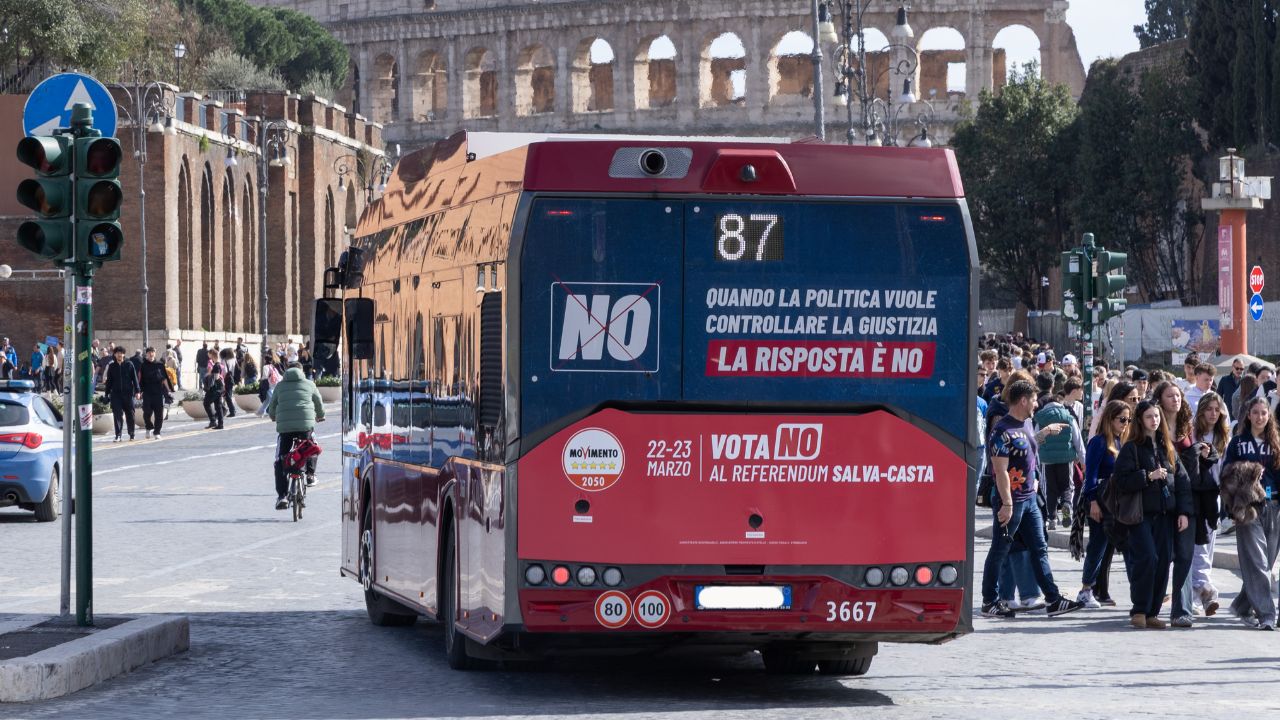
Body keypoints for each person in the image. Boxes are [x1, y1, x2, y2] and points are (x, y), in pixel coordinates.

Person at [980, 379, 1084, 619]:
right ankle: (989, 601)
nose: (1037, 404)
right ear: (1023, 400)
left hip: (1029, 500)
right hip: (1012, 502)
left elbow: (1025, 446)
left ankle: (1053, 599)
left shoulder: (1025, 424)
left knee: (1039, 548)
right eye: (1034, 400)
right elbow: (1000, 471)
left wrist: (1044, 434)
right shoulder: (1001, 431)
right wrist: (1006, 504)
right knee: (1000, 550)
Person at [1111, 399, 1192, 629]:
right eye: (1149, 416)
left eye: (1156, 416)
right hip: (1141, 515)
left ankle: (1152, 612)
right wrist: (1147, 476)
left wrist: (1184, 512)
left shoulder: (1168, 447)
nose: (1154, 420)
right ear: (1140, 420)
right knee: (1147, 558)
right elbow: (1121, 480)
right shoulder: (1132, 448)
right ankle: (1139, 609)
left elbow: (1182, 482)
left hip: (1166, 514)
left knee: (1163, 561)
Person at [1220, 397, 1280, 630]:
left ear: (1269, 415)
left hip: (1273, 505)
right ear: (1248, 415)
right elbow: (1226, 475)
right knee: (1256, 562)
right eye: (1255, 412)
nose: (1259, 417)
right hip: (1247, 507)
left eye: (1264, 413)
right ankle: (1267, 615)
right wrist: (1248, 471)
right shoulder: (1237, 443)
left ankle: (1242, 605)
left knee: (1266, 563)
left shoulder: (1275, 441)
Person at [1079, 400, 1132, 609]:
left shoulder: (1123, 442)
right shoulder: (1099, 442)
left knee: (1128, 545)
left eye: (1128, 420)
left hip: (1119, 501)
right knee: (1097, 544)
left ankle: (1142, 589)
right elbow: (1090, 474)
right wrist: (1092, 501)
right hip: (1101, 499)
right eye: (1122, 419)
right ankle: (1086, 589)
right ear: (1110, 419)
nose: (1125, 424)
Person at [1153, 380, 1197, 627]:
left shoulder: (1187, 427)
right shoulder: (1152, 427)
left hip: (1187, 497)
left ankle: (1181, 610)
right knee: (1160, 556)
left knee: (1185, 555)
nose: (1176, 400)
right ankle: (1150, 607)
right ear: (1160, 400)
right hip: (1160, 501)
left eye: (1178, 395)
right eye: (1170, 396)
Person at [1189, 391, 1228, 617]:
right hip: (1196, 494)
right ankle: (1201, 592)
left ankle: (1202, 592)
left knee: (1208, 544)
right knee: (1199, 545)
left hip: (1215, 496)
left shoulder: (1223, 436)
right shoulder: (1193, 433)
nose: (1213, 414)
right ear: (1202, 411)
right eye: (1209, 409)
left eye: (1217, 410)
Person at [267, 362, 325, 510]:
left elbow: (272, 407)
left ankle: (282, 496)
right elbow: (318, 403)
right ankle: (310, 475)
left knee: (280, 460)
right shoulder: (310, 384)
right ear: (302, 371)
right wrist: (320, 415)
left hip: (285, 429)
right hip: (305, 427)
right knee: (311, 446)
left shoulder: (280, 386)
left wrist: (273, 416)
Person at [104, 346, 141, 442]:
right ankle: (118, 435)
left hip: (128, 394)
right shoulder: (112, 366)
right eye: (117, 353)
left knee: (130, 414)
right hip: (116, 395)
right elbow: (109, 382)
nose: (119, 354)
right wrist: (106, 394)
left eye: (121, 353)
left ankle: (131, 434)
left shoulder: (129, 364)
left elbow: (135, 378)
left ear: (124, 354)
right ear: (115, 354)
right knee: (117, 415)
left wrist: (137, 391)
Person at [139, 347, 174, 439]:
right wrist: (139, 391)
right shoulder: (143, 365)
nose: (151, 354)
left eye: (153, 352)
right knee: (147, 412)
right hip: (147, 392)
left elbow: (164, 378)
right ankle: (148, 427)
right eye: (149, 352)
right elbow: (140, 380)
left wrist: (169, 390)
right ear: (146, 354)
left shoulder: (160, 365)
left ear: (155, 353)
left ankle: (157, 432)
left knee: (159, 414)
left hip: (158, 392)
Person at [203, 361, 226, 430]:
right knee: (218, 407)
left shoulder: (211, 375)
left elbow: (209, 385)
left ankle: (213, 421)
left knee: (206, 403)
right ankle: (220, 424)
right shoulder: (219, 374)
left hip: (213, 391)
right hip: (219, 391)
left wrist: (207, 389)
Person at [220, 347, 238, 418]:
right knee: (228, 395)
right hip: (232, 378)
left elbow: (224, 371)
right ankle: (229, 410)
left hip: (226, 379)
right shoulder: (234, 359)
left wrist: (222, 379)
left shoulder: (224, 360)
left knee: (227, 396)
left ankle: (232, 410)